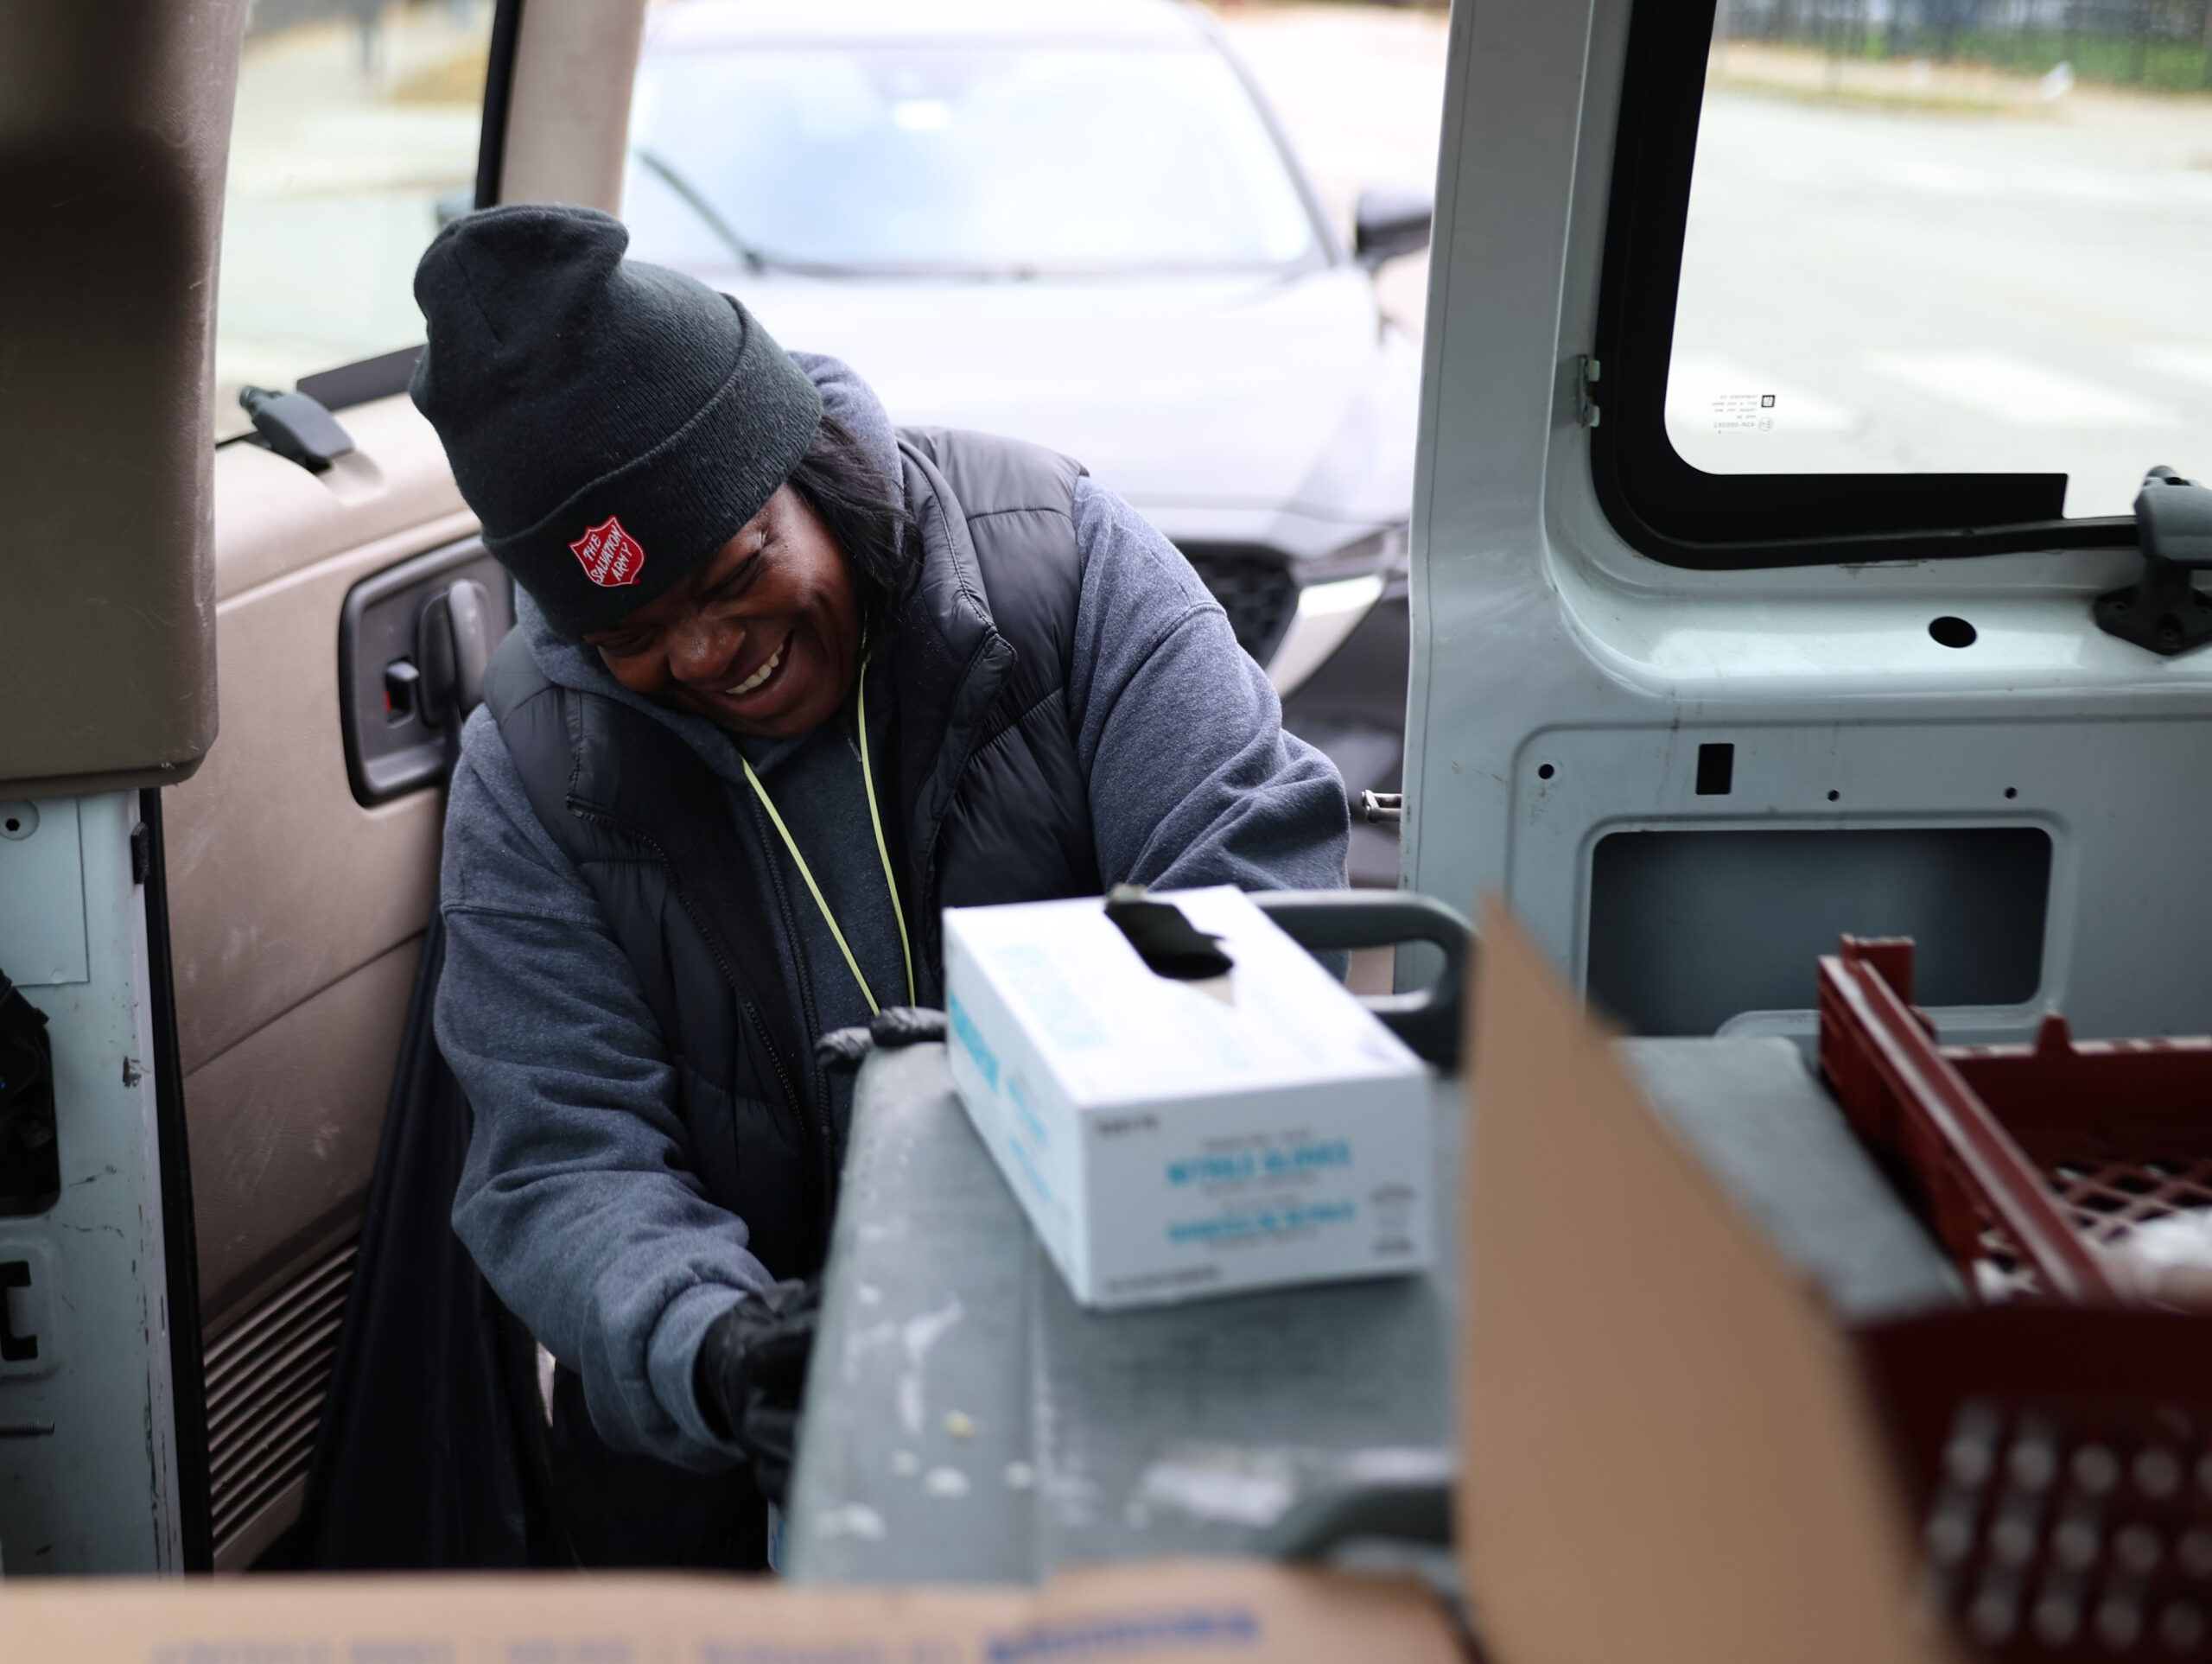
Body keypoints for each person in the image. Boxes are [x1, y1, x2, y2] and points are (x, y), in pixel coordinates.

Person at [412, 204, 1351, 1566]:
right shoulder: (532, 768)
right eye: (632, 633)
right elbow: (562, 1156)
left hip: (1136, 1335)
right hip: (748, 1457)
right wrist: (718, 1346)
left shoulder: (1067, 565)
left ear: (805, 464)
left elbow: (1249, 901)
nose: (709, 651)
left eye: (736, 574)